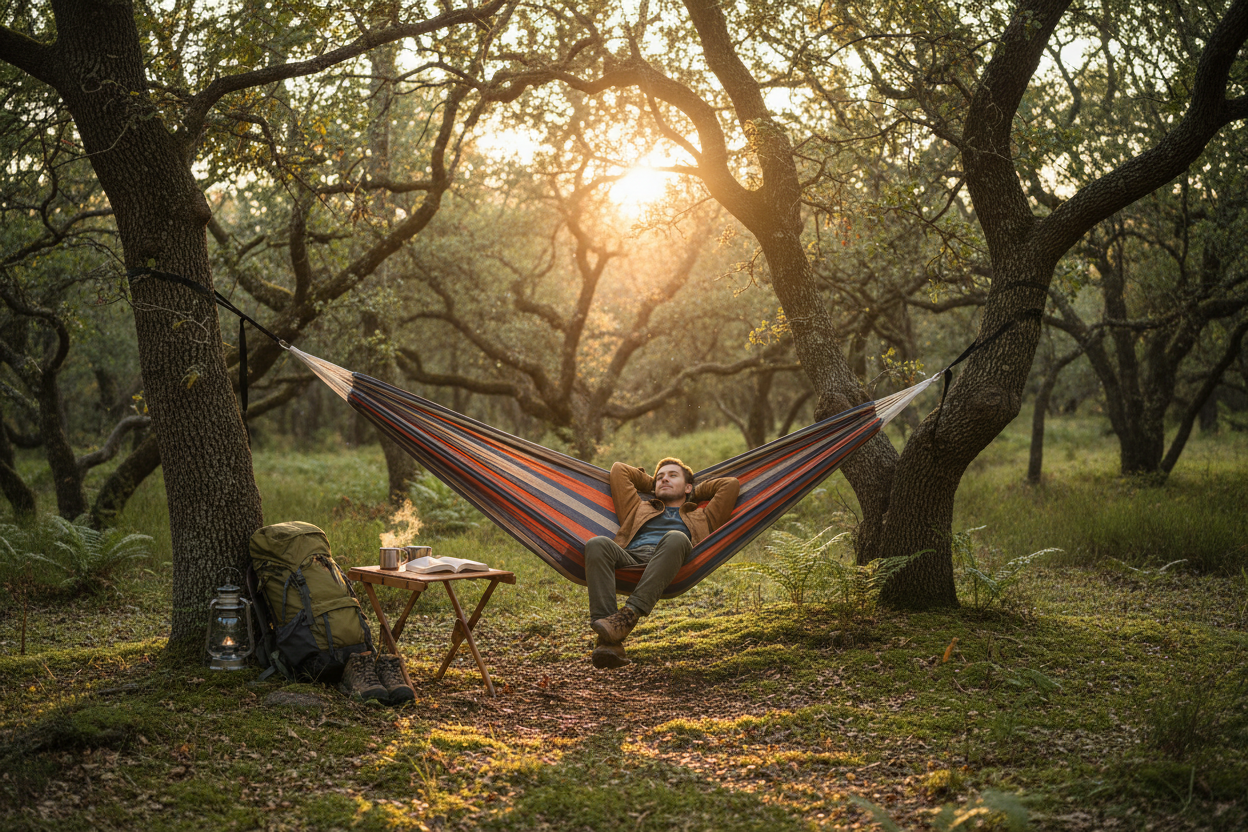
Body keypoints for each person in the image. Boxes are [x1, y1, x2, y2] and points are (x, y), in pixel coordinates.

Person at [585, 457, 739, 669]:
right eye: (660, 477)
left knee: (676, 536)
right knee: (597, 543)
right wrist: (656, 486)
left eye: (672, 476)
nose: (664, 479)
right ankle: (609, 636)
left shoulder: (703, 516)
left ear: (688, 487)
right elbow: (620, 469)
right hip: (632, 558)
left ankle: (629, 615)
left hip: (674, 561)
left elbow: (729, 485)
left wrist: (693, 490)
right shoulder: (638, 507)